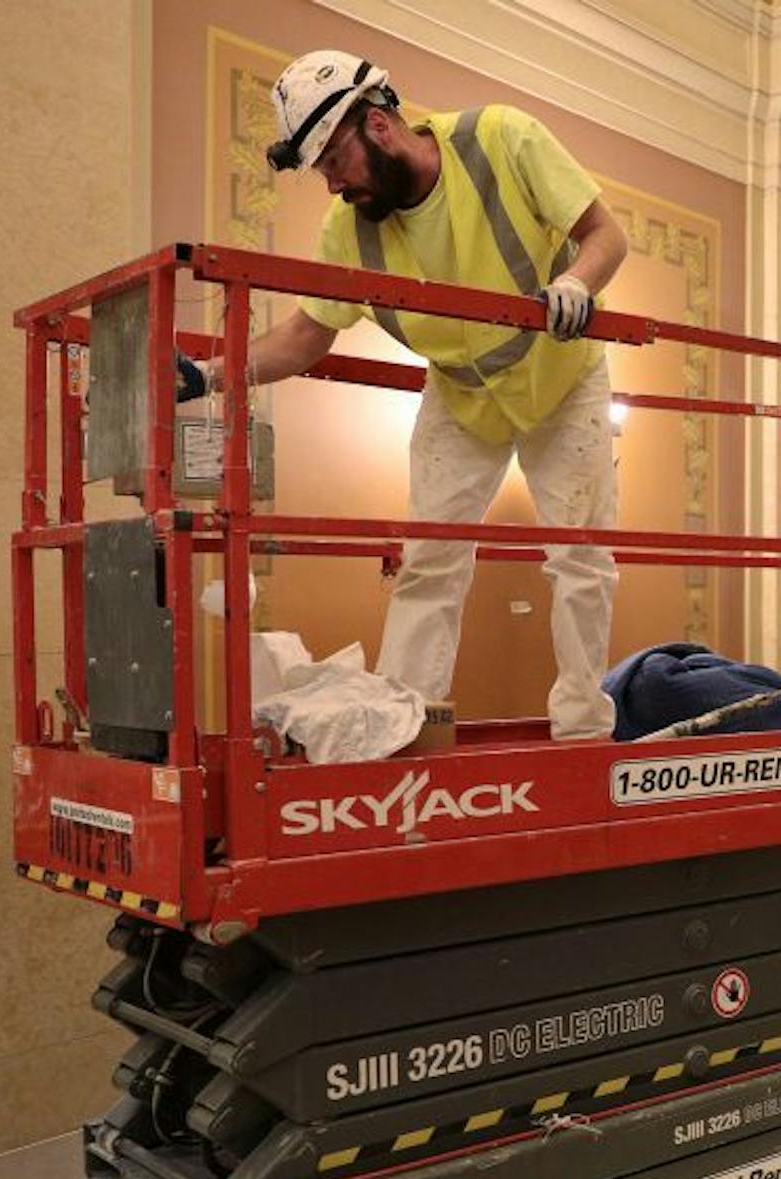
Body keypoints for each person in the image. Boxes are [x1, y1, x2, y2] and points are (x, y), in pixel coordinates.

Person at [187, 51, 630, 740]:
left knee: (581, 561)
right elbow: (307, 334)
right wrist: (210, 372)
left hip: (559, 380)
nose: (333, 185)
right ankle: (403, 723)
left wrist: (577, 283)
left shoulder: (501, 139)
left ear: (378, 125)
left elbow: (605, 233)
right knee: (429, 559)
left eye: (336, 161)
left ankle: (581, 727)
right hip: (462, 396)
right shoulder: (348, 231)